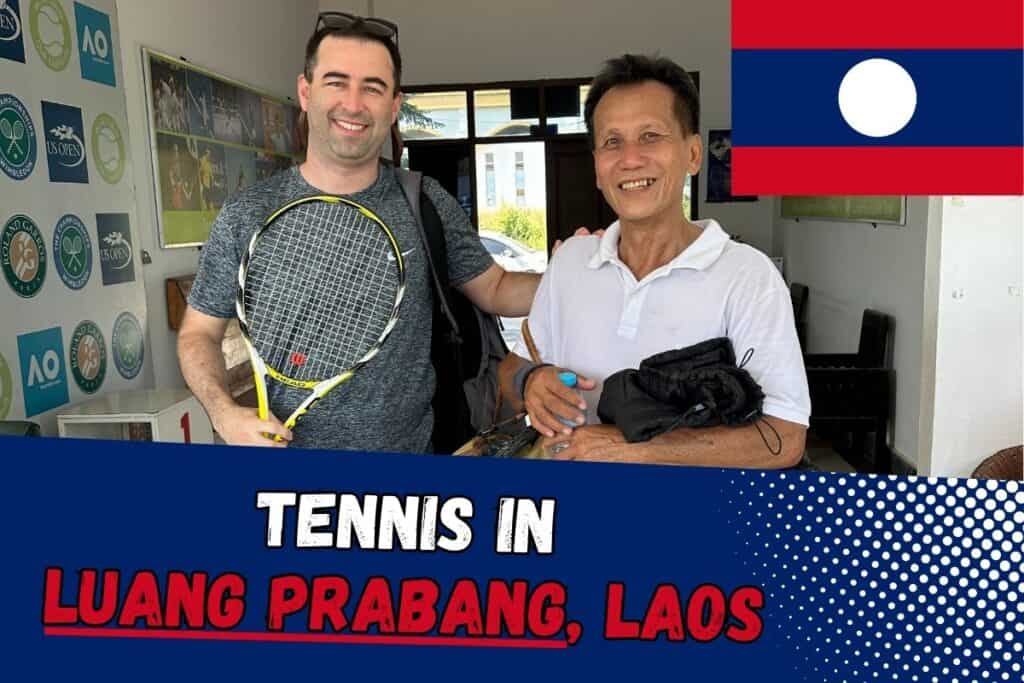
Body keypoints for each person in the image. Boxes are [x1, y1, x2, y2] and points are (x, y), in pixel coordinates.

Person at [177, 13, 540, 451]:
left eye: (372, 87)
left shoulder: (425, 202)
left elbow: (497, 288)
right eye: (336, 81)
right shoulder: (246, 214)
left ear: (393, 105)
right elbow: (199, 333)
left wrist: (580, 269)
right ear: (305, 92)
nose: (353, 103)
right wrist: (224, 413)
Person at [499, 54, 811, 468]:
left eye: (651, 136)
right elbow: (511, 372)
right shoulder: (571, 261)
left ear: (694, 154)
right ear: (597, 167)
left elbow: (785, 438)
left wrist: (639, 449)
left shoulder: (747, 276)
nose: (630, 159)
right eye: (612, 141)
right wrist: (532, 381)